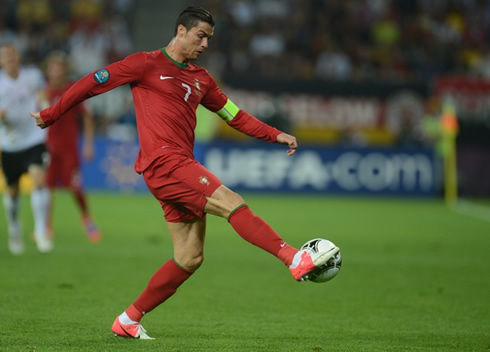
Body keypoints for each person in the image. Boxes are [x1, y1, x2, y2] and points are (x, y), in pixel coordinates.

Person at [30, 6, 339, 339]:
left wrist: (273, 133)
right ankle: (293, 258)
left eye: (208, 38)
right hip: (164, 163)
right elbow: (93, 82)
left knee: (190, 257)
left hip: (176, 167)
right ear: (180, 31)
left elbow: (234, 115)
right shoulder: (145, 64)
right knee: (230, 201)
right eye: (200, 36)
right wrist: (52, 113)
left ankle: (128, 320)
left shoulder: (202, 80)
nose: (204, 44)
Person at [43, 51, 101, 242]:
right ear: (48, 71)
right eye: (52, 68)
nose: (56, 71)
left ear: (64, 70)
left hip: (69, 149)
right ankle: (46, 226)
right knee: (46, 188)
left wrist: (89, 144)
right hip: (49, 149)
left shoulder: (71, 90)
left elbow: (86, 116)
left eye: (59, 68)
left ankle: (86, 218)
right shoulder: (44, 92)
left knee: (75, 187)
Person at [0, 43, 52, 254]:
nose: (10, 58)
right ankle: (14, 227)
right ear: (1, 60)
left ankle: (40, 231)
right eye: (6, 56)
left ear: (18, 57)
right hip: (10, 143)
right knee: (12, 192)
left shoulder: (32, 76)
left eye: (13, 54)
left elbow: (41, 94)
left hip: (34, 138)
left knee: (38, 179)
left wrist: (45, 104)